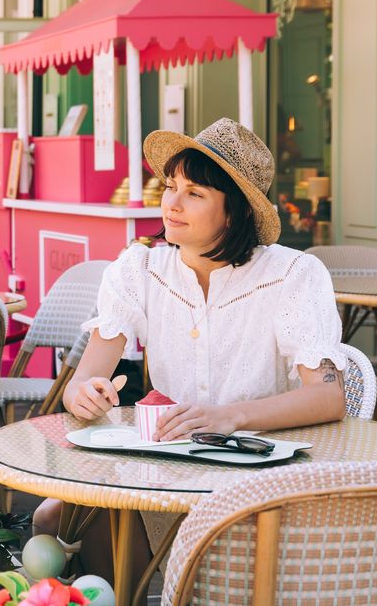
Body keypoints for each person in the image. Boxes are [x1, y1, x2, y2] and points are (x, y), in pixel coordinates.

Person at [34, 118, 347, 591]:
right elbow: (85, 380)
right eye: (170, 186)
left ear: (235, 212)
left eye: (195, 193)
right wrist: (86, 394)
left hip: (258, 485)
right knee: (53, 518)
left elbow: (328, 398)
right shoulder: (140, 269)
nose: (172, 204)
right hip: (164, 476)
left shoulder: (292, 275)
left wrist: (228, 417)